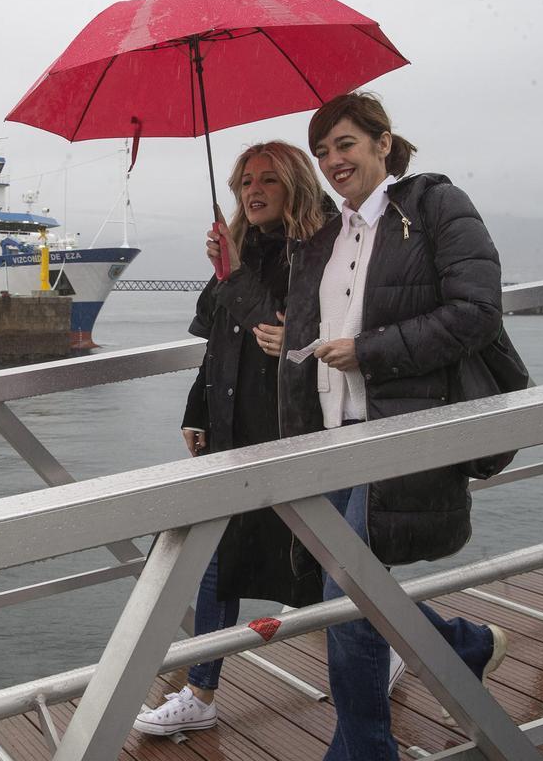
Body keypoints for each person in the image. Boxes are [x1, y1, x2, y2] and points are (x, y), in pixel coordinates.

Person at [279, 92, 509, 760]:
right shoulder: (328, 235)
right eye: (322, 152)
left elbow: (478, 311)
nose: (331, 161)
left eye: (345, 144)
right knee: (357, 591)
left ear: (384, 143)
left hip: (399, 432)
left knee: (345, 596)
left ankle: (363, 752)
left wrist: (369, 351)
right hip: (334, 435)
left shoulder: (437, 208)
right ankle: (464, 646)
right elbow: (320, 323)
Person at [134, 141, 336, 736]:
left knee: (330, 563)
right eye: (245, 180)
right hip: (232, 431)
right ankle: (201, 690)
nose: (253, 190)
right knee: (214, 559)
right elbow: (219, 342)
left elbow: (280, 329)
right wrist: (196, 410)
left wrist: (233, 272)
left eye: (268, 179)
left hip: (290, 433)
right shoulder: (243, 249)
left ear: (295, 183)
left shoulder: (319, 248)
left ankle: (435, 641)